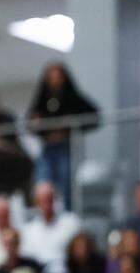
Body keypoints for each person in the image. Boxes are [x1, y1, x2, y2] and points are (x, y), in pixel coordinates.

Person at [28, 64, 98, 210]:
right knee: (43, 183)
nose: (55, 81)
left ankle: (67, 211)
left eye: (58, 77)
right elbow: (31, 121)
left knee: (65, 184)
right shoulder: (43, 99)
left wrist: (68, 128)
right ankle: (44, 212)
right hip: (48, 148)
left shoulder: (72, 98)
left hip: (65, 147)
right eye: (51, 78)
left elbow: (93, 116)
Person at [21, 184, 83, 268]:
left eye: (49, 199)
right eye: (42, 200)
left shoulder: (71, 223)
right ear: (36, 203)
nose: (46, 204)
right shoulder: (28, 231)